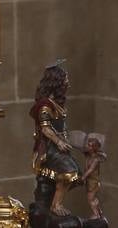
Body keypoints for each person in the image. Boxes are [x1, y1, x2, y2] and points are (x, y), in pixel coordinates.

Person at [30, 63, 79, 218]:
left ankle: (55, 203)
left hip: (59, 147)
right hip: (49, 148)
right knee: (69, 172)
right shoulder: (45, 106)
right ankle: (56, 205)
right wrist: (59, 142)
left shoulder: (55, 104)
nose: (68, 83)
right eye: (65, 79)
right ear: (57, 82)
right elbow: (45, 129)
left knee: (74, 173)